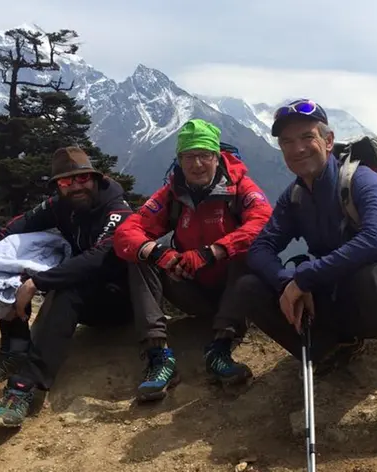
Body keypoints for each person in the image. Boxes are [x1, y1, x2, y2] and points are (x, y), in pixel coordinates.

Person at [221, 99, 377, 455]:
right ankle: (332, 348)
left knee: (375, 273)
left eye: (307, 137)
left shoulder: (362, 180)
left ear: (328, 140)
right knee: (248, 286)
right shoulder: (295, 197)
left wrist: (304, 277)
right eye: (287, 142)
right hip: (337, 303)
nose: (297, 148)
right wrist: (284, 283)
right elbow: (260, 249)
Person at [113, 118, 273, 402]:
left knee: (250, 251)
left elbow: (263, 222)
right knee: (139, 256)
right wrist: (160, 254)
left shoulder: (240, 187)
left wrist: (214, 251)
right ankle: (158, 354)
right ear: (179, 159)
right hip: (189, 285)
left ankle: (220, 348)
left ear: (217, 156)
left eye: (204, 155)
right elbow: (127, 233)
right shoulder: (172, 193)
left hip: (233, 291)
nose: (197, 164)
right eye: (189, 156)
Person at [0, 145, 135, 428]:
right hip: (86, 296)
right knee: (17, 268)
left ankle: (23, 388)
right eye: (66, 181)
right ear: (58, 186)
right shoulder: (59, 205)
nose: (75, 185)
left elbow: (99, 258)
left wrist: (38, 282)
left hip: (120, 300)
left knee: (63, 287)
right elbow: (8, 230)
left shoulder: (117, 210)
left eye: (82, 178)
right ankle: (15, 348)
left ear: (95, 178)